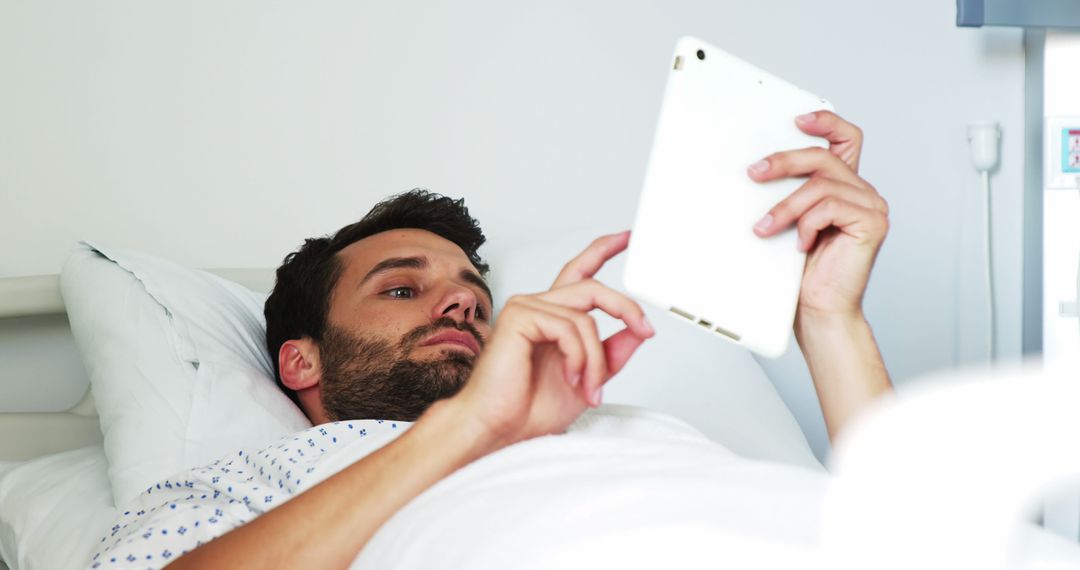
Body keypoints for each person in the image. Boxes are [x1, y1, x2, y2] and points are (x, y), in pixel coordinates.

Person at [87, 111, 891, 569]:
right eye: (402, 289)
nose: (460, 308)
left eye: (475, 296)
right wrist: (473, 427)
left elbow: (907, 528)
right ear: (302, 359)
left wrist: (830, 319)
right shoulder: (261, 482)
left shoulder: (631, 428)